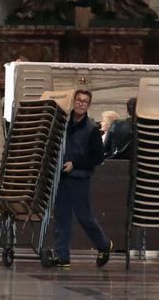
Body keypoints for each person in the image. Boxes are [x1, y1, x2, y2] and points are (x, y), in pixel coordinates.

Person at [52, 89, 112, 268]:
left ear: (88, 105)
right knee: (61, 216)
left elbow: (98, 157)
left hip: (79, 178)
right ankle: (62, 256)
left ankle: (103, 245)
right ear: (73, 102)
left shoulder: (92, 129)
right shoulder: (62, 123)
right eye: (78, 100)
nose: (80, 103)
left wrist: (75, 163)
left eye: (84, 101)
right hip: (61, 177)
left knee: (84, 216)